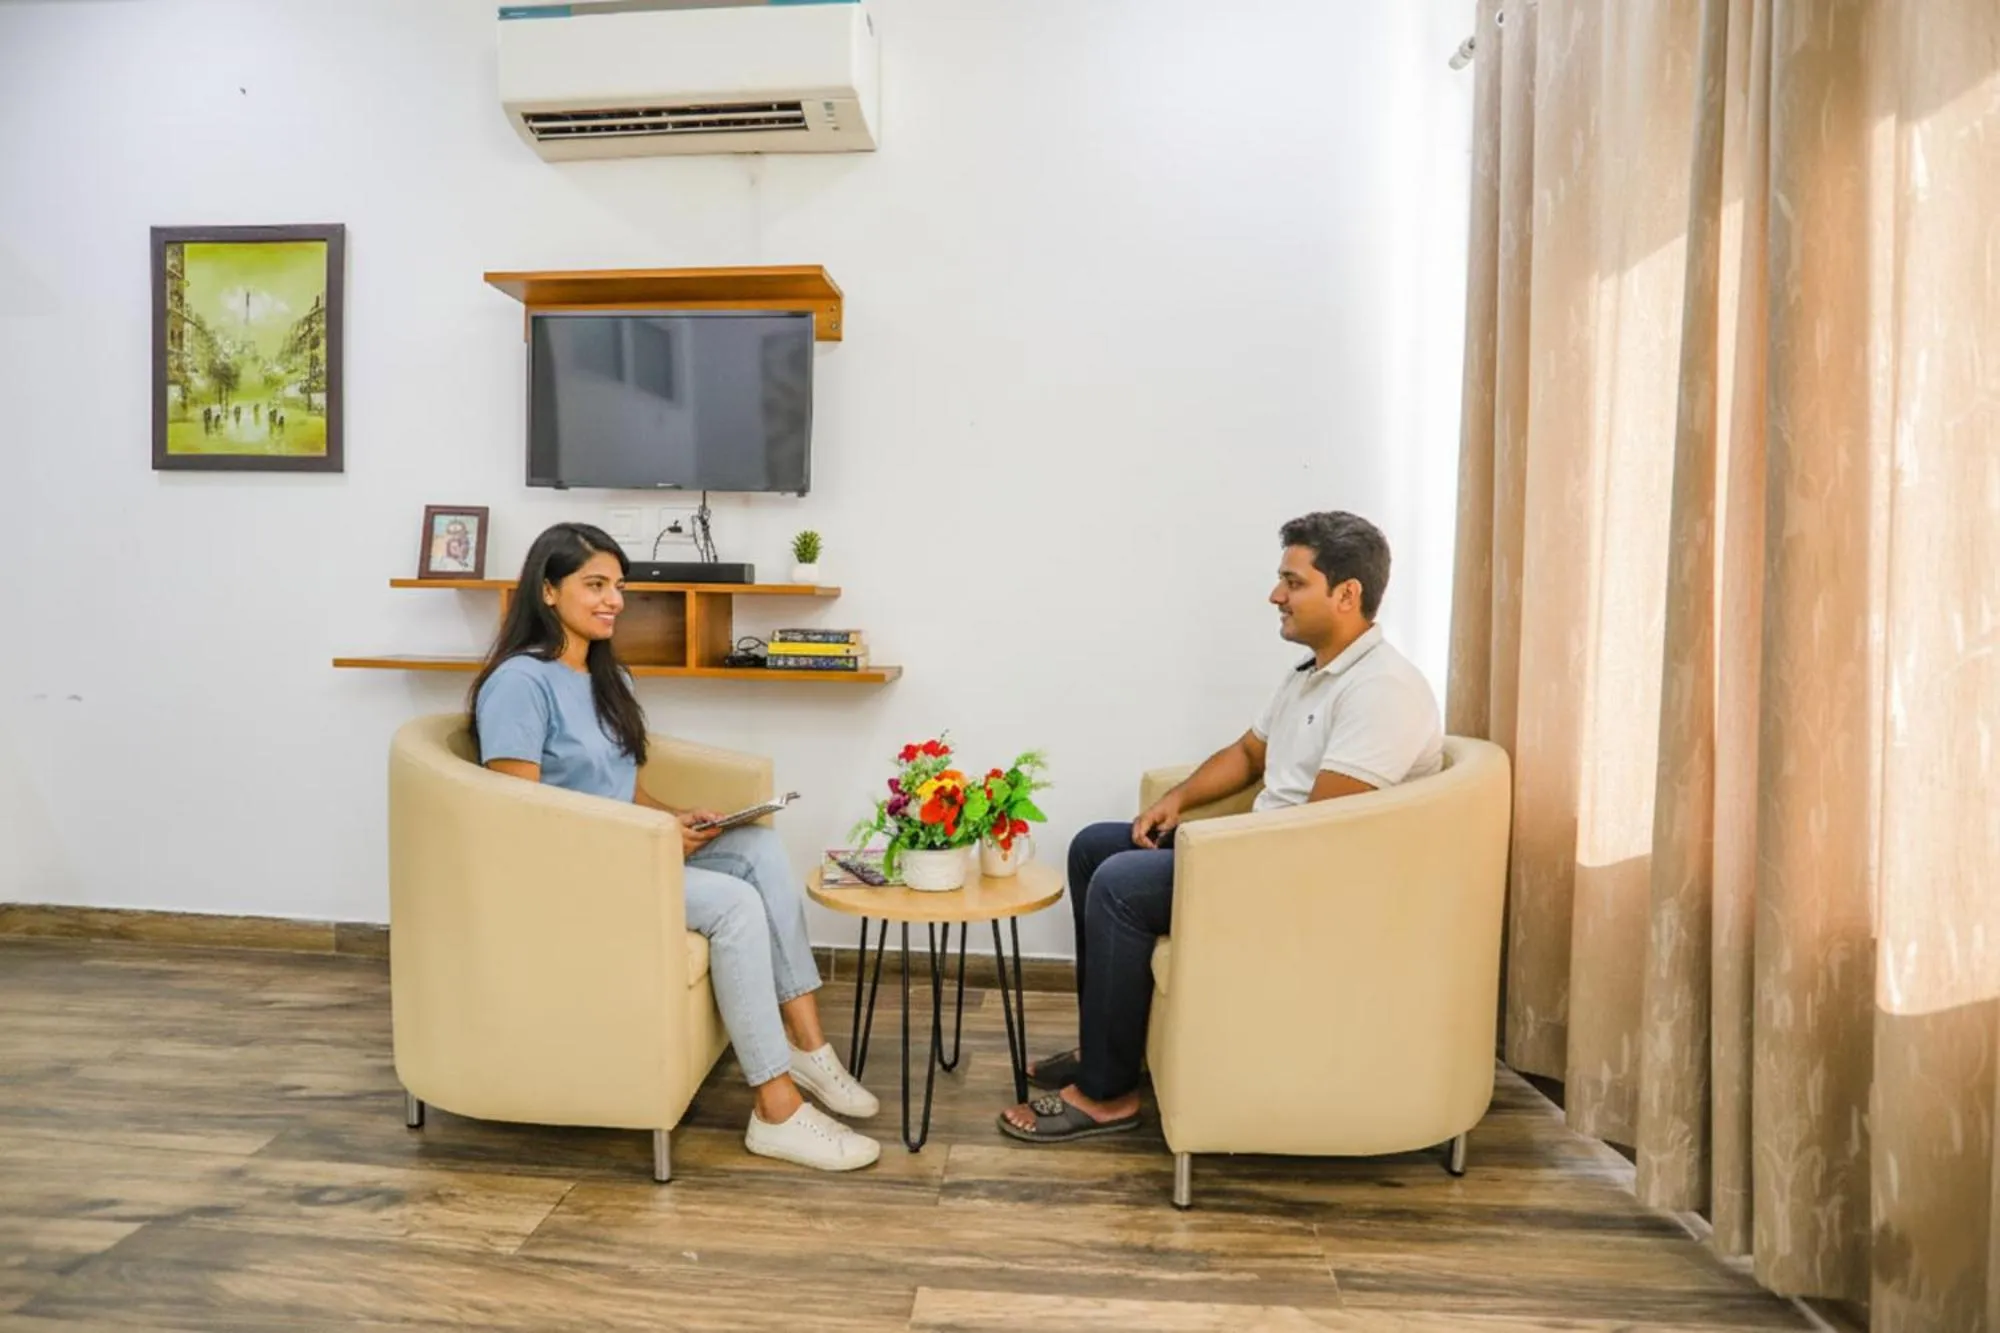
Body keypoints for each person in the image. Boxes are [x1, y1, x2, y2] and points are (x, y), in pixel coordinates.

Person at [999, 510, 1445, 1143]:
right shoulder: (1311, 675)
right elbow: (1249, 756)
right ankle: (1105, 1049)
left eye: (1293, 582)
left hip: (1302, 877)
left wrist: (1211, 847)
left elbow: (1328, 832)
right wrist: (1176, 803)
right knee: (1095, 847)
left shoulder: (1382, 691)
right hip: (1265, 854)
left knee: (1121, 884)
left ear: (1347, 595)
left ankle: (1106, 1096)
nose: (1275, 596)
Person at [470, 522, 882, 1172]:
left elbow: (620, 789)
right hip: (575, 874)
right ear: (547, 591)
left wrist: (675, 820)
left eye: (619, 587)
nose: (614, 600)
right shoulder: (522, 683)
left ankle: (808, 1046)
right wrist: (649, 840)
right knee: (734, 904)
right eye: (595, 585)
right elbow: (522, 816)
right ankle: (775, 1110)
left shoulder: (604, 675)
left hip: (628, 852)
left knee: (759, 850)